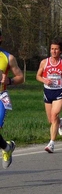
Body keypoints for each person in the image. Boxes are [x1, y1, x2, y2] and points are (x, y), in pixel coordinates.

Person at [36, 39, 62, 153]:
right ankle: (61, 122)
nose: (54, 51)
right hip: (48, 92)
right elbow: (38, 76)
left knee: (54, 114)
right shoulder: (44, 62)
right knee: (51, 120)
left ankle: (51, 143)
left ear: (60, 51)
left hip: (59, 92)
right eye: (52, 49)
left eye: (56, 49)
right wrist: (44, 80)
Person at [0, 30, 24, 169]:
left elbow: (21, 77)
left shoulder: (8, 57)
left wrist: (8, 80)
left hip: (0, 98)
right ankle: (7, 147)